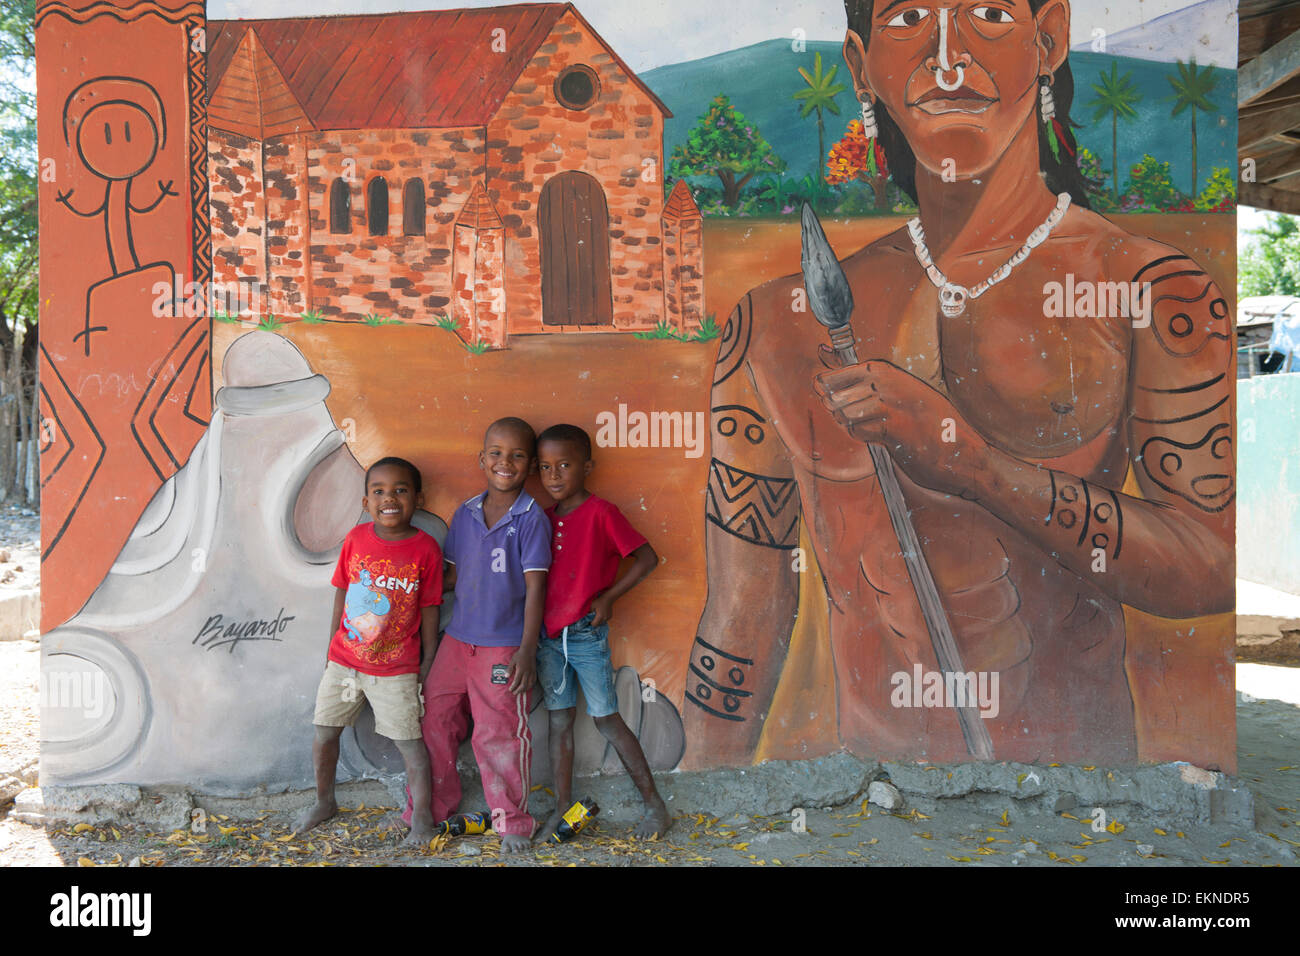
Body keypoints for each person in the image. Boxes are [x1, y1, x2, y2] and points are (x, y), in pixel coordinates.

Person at [684, 0, 1234, 768]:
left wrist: (974, 464)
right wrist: (704, 788)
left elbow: (1209, 567)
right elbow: (743, 615)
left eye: (987, 14)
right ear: (860, 64)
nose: (947, 60)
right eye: (909, 19)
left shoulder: (1148, 291)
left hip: (1077, 810)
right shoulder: (776, 326)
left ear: (1050, 40)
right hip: (872, 811)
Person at [408, 417, 550, 853]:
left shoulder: (531, 518)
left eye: (517, 455)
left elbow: (535, 588)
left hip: (503, 645)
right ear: (482, 459)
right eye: (496, 453)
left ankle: (513, 823)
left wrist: (526, 650)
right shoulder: (465, 513)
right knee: (434, 718)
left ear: (529, 466)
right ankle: (430, 810)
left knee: (497, 731)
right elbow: (455, 576)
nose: (504, 462)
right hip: (458, 639)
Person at [293, 457, 443, 845]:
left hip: (396, 669)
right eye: (378, 491)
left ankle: (422, 820)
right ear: (365, 502)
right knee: (325, 733)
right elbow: (342, 591)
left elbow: (430, 606)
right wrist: (331, 648)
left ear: (418, 499)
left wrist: (427, 659)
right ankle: (325, 802)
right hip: (345, 662)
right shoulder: (356, 540)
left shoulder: (425, 548)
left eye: (400, 490)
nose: (389, 498)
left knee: (411, 745)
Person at [533, 424, 668, 842]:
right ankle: (562, 810)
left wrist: (609, 597)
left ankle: (655, 806)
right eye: (545, 467)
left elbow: (647, 558)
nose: (553, 475)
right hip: (548, 638)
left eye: (565, 465)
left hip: (585, 635)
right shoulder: (544, 518)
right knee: (559, 723)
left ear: (587, 467)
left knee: (607, 719)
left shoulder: (602, 513)